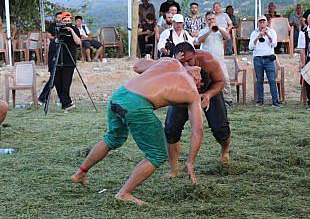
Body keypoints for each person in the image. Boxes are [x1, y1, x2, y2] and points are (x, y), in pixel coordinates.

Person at [71, 57, 204, 206]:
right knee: (157, 154)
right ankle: (124, 193)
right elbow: (197, 130)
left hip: (119, 95)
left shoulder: (170, 62)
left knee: (113, 138)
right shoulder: (193, 92)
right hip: (137, 104)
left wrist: (178, 68)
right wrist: (190, 162)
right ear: (199, 82)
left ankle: (80, 173)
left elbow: (137, 66)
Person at [164, 42, 231, 183]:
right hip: (183, 93)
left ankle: (225, 151)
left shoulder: (208, 61)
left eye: (190, 60)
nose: (187, 64)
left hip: (208, 92)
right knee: (171, 129)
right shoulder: (173, 65)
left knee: (220, 129)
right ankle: (174, 170)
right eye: (182, 61)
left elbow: (220, 82)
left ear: (195, 55)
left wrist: (208, 95)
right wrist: (178, 66)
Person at [38, 11, 81, 111]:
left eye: (68, 20)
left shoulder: (74, 29)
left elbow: (78, 42)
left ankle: (67, 103)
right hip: (57, 59)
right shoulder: (56, 28)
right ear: (61, 21)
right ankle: (66, 104)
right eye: (64, 21)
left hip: (69, 60)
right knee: (57, 83)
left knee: (66, 83)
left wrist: (71, 30)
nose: (66, 23)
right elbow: (54, 40)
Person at [198, 11, 232, 106]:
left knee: (225, 79)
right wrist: (209, 31)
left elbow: (228, 37)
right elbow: (200, 40)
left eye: (213, 19)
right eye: (209, 19)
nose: (211, 21)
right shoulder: (203, 31)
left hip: (219, 60)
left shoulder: (220, 29)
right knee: (207, 81)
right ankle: (208, 98)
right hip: (207, 62)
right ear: (206, 20)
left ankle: (228, 100)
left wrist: (218, 29)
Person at [248, 15, 282, 108]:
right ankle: (260, 100)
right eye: (260, 22)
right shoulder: (254, 33)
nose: (262, 24)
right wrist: (258, 37)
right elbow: (250, 47)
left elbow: (274, 44)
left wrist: (267, 35)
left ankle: (275, 101)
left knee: (272, 80)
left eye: (264, 22)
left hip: (269, 58)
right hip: (258, 58)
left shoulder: (272, 31)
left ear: (266, 23)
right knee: (259, 80)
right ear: (258, 23)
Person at [38, 11, 62, 104]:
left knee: (56, 78)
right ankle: (43, 98)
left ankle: (43, 98)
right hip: (53, 54)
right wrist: (55, 38)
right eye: (58, 17)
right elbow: (48, 35)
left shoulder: (65, 27)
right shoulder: (52, 26)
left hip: (61, 55)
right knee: (54, 77)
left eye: (61, 17)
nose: (60, 19)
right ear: (55, 18)